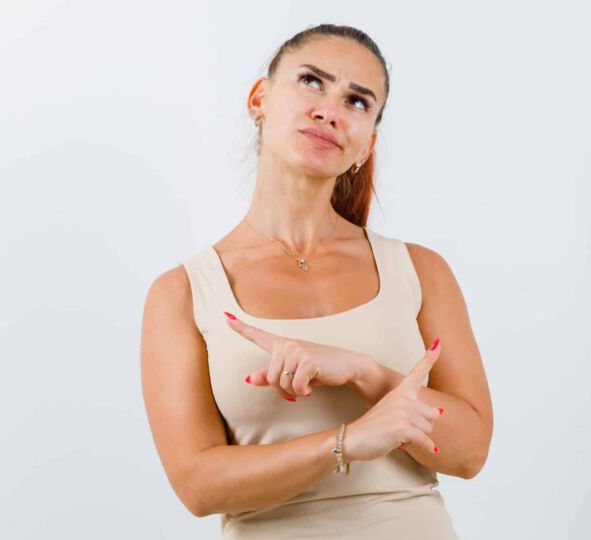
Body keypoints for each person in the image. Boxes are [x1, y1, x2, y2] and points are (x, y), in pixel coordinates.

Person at [140, 23, 493, 539]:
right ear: (259, 98)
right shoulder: (183, 293)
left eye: (356, 101)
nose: (329, 109)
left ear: (366, 144)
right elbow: (198, 485)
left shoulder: (420, 271)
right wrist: (348, 441)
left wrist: (362, 373)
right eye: (311, 82)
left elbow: (470, 452)